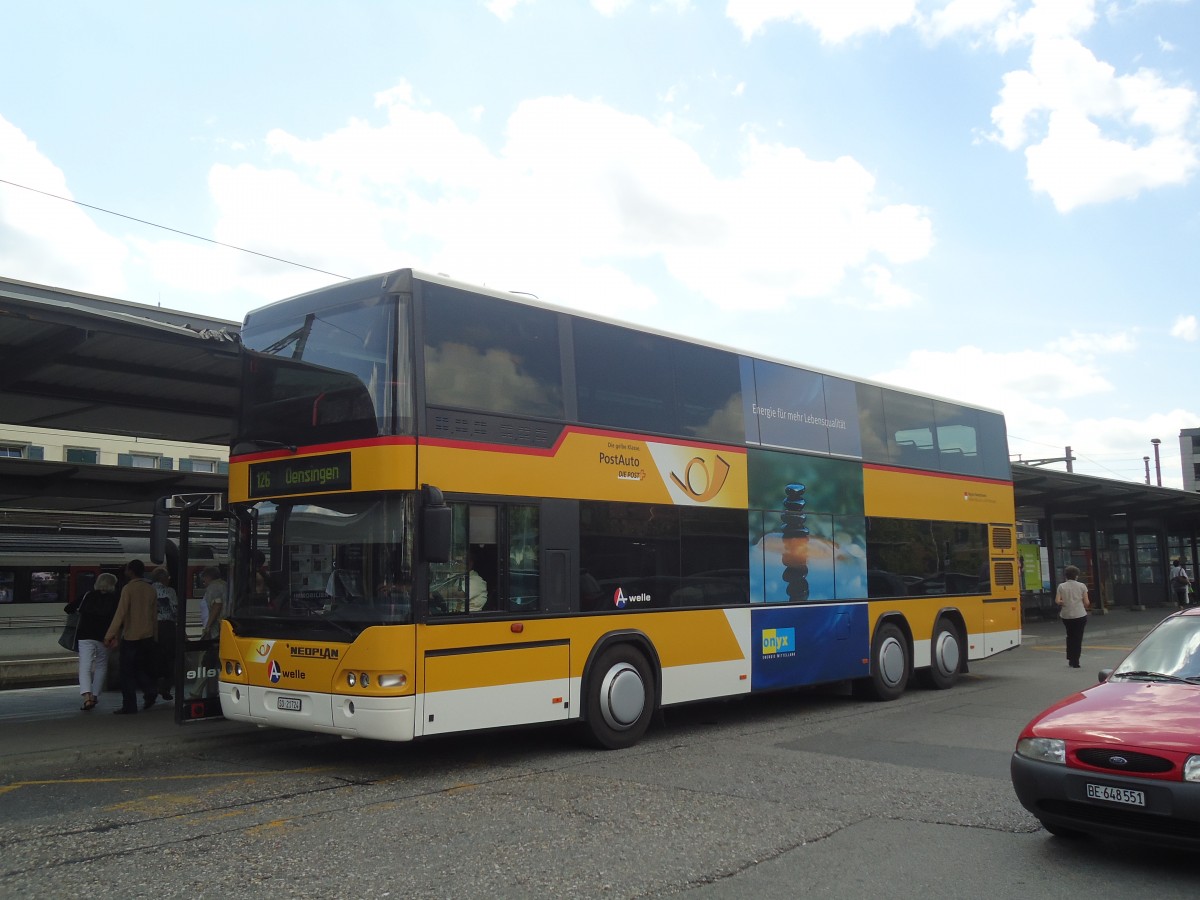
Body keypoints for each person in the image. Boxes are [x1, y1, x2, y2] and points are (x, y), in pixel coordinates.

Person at [104, 560, 159, 714]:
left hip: (131, 637)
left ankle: (129, 705)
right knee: (141, 667)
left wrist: (110, 634)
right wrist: (155, 636)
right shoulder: (150, 589)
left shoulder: (128, 589)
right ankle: (150, 690)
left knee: (127, 672)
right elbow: (154, 616)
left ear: (131, 571)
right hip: (147, 636)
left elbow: (120, 614)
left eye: (127, 569)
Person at [67, 572, 119, 711]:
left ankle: (87, 697)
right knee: (101, 665)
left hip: (85, 636)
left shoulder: (87, 595)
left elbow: (68, 608)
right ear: (112, 585)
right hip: (104, 637)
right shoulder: (114, 599)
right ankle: (95, 696)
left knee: (85, 666)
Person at [150, 567, 178, 701]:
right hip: (167, 627)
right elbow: (175, 610)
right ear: (164, 578)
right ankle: (166, 686)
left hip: (151, 627)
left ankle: (152, 687)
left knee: (153, 657)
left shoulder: (148, 590)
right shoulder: (170, 591)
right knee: (170, 658)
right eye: (168, 577)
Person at [1055, 565, 1091, 669]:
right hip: (1079, 614)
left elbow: (1057, 601)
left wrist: (1065, 602)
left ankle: (1070, 658)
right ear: (1076, 576)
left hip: (1066, 615)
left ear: (1066, 575)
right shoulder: (1082, 586)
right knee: (1078, 638)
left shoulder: (1061, 586)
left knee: (1070, 636)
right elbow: (1087, 602)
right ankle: (1076, 661)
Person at [199, 566, 227, 639]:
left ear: (208, 577)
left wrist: (208, 627)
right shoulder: (224, 584)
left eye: (204, 577)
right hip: (224, 625)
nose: (203, 580)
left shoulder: (214, 587)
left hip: (217, 627)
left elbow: (217, 605)